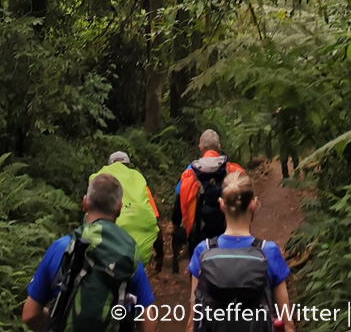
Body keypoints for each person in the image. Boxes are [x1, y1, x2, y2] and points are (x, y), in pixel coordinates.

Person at [22, 173, 156, 332]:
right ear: (119, 209)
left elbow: (30, 315)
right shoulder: (127, 254)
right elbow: (149, 321)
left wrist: (55, 321)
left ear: (85, 203)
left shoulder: (61, 247)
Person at [185, 171, 294, 332]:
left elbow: (193, 323)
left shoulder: (203, 250)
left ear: (222, 204)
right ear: (253, 204)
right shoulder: (268, 251)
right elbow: (287, 325)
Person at [171, 129, 244, 264]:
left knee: (199, 271)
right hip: (230, 238)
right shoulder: (234, 171)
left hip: (198, 240)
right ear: (219, 147)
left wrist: (176, 228)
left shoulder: (188, 174)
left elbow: (179, 206)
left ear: (200, 148)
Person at [89, 150, 164, 271]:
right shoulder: (138, 180)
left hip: (106, 254)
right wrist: (160, 255)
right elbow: (153, 216)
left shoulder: (101, 181)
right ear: (128, 165)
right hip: (138, 255)